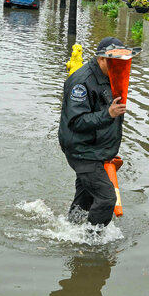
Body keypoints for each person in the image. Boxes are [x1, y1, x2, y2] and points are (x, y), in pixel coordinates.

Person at [58, 37, 129, 226]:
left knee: (85, 198)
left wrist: (107, 150)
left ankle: (71, 230)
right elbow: (76, 121)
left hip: (95, 149)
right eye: (115, 61)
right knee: (107, 198)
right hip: (82, 151)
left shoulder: (111, 76)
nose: (120, 65)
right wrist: (108, 114)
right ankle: (93, 240)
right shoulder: (81, 82)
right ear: (101, 59)